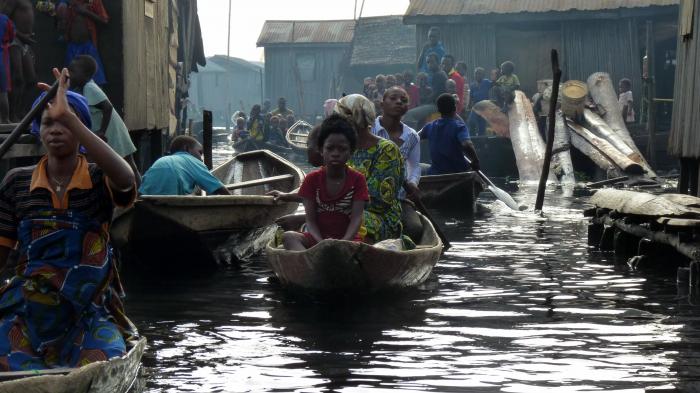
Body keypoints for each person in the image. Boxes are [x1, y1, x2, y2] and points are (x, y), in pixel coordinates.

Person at [0, 67, 138, 371]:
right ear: (39, 131)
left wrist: (71, 117)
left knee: (104, 362)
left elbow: (127, 179)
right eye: (48, 123)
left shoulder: (98, 177)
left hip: (87, 311)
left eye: (65, 123)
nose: (56, 129)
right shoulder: (16, 183)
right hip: (27, 310)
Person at [281, 115, 368, 250]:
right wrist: (321, 243)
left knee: (363, 249)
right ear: (321, 150)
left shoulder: (358, 180)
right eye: (330, 148)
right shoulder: (312, 179)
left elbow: (356, 219)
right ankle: (311, 264)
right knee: (289, 237)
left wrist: (343, 242)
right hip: (317, 239)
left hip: (348, 241)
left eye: (342, 149)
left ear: (351, 152)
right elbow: (310, 220)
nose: (335, 153)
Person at [335, 94, 404, 243]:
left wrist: (334, 205)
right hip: (341, 209)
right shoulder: (343, 149)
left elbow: (379, 202)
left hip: (379, 218)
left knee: (341, 220)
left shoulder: (386, 150)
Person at [68, 55, 141, 185]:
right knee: (126, 164)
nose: (70, 74)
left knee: (129, 165)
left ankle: (137, 195)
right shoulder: (85, 88)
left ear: (86, 74)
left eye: (73, 71)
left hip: (112, 132)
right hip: (113, 130)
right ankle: (137, 195)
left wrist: (102, 131)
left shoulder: (90, 87)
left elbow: (107, 107)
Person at [371, 86, 423, 241]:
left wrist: (413, 182)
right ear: (382, 104)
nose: (399, 102)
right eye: (393, 98)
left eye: (403, 100)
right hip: (369, 196)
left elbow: (415, 166)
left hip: (399, 197)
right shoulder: (369, 129)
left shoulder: (412, 136)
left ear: (407, 107)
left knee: (414, 229)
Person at [139, 135, 230, 196]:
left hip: (146, 199)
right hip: (172, 201)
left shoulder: (161, 160)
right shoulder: (193, 161)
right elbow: (218, 188)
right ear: (186, 148)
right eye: (200, 152)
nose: (201, 158)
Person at [420, 93, 480, 175]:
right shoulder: (459, 126)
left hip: (436, 173)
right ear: (455, 108)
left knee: (420, 167)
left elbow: (415, 137)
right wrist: (475, 161)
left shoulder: (429, 126)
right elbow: (467, 144)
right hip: (458, 173)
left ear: (438, 110)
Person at [56, 0, 109, 85]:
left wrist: (85, 12)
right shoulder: (69, 3)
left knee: (96, 79)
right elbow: (61, 21)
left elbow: (104, 20)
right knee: (69, 79)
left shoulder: (94, 2)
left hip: (88, 45)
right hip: (72, 46)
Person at [7, 0, 35, 122]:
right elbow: (3, 20)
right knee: (17, 78)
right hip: (14, 40)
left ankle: (22, 111)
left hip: (25, 41)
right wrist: (19, 35)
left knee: (31, 80)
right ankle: (12, 113)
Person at [468, 67, 492, 136]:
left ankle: (481, 142)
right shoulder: (472, 85)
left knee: (482, 125)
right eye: (476, 73)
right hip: (476, 107)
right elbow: (471, 97)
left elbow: (495, 83)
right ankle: (472, 137)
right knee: (471, 121)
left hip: (484, 107)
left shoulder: (486, 82)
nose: (477, 75)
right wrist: (469, 105)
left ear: (483, 75)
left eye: (480, 74)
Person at [0, 8, 14, 123]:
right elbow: (11, 37)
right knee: (2, 92)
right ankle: (5, 119)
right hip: (1, 57)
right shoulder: (5, 20)